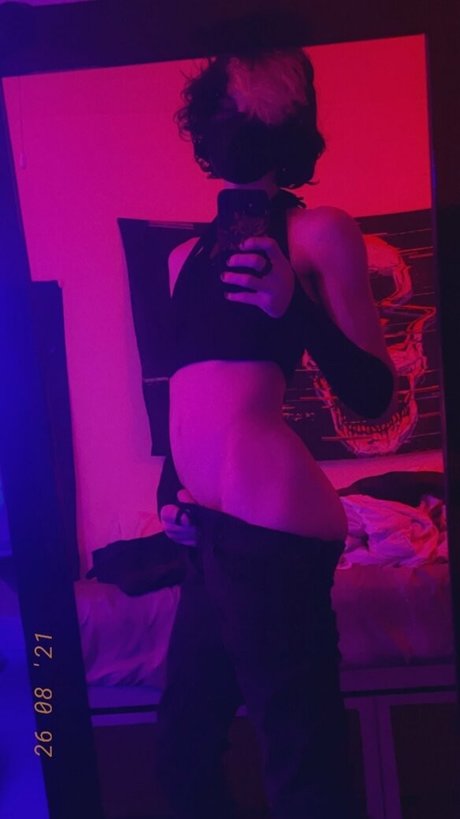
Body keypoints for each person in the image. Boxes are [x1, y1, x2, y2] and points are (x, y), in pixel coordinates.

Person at [154, 48, 396, 819]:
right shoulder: (182, 257)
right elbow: (187, 393)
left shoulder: (318, 231)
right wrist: (169, 491)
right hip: (207, 528)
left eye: (253, 110)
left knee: (303, 764)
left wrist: (293, 307)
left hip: (273, 521)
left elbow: (375, 396)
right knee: (182, 749)